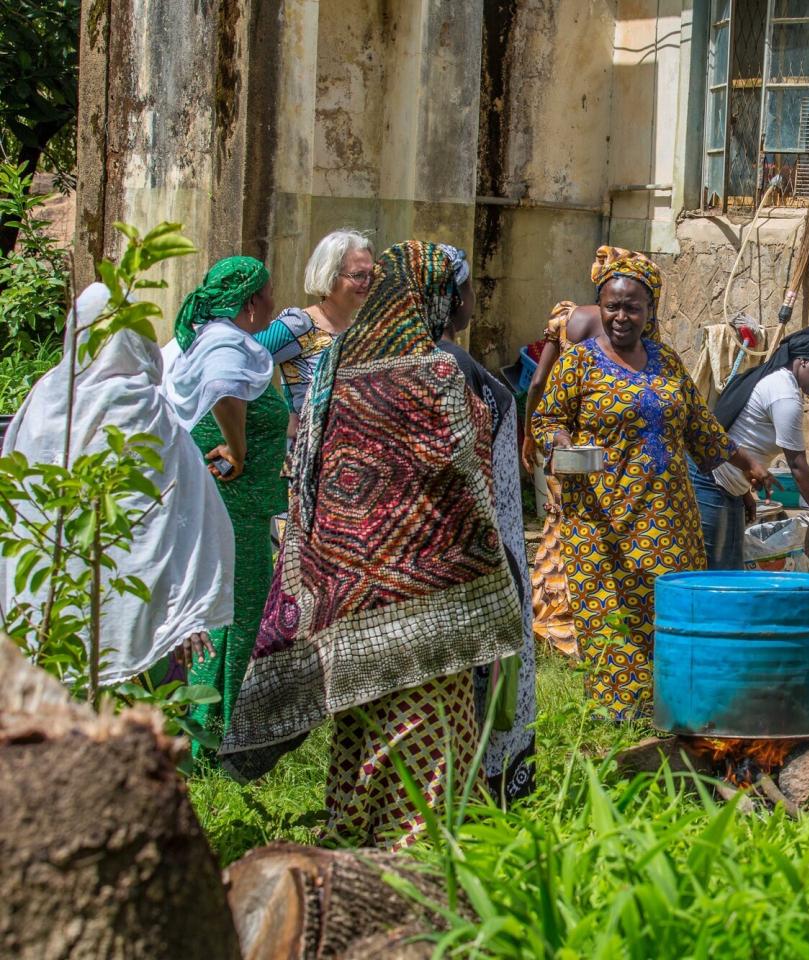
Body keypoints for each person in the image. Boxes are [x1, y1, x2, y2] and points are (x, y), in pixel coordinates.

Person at [218, 241, 524, 847]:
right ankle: (420, 846)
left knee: (362, 719)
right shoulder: (437, 372)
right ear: (432, 298)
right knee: (431, 720)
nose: (466, 302)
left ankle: (355, 828)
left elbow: (305, 464)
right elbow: (466, 472)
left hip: (345, 588)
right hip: (433, 593)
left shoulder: (334, 364)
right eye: (457, 292)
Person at [531, 253, 775, 719]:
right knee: (613, 610)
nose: (621, 317)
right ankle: (618, 714)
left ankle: (674, 706)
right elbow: (547, 416)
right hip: (605, 518)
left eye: (633, 307)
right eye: (612, 306)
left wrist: (749, 467)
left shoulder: (666, 361)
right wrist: (557, 439)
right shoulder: (580, 363)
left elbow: (702, 428)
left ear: (651, 309)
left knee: (671, 608)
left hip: (669, 519)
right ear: (599, 306)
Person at [2, 283, 234, 682]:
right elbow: (189, 506)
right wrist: (188, 606)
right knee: (138, 724)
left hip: (47, 599)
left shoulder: (45, 397)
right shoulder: (142, 406)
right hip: (139, 603)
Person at [162, 255, 288, 759]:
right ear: (251, 301)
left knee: (227, 609)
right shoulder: (222, 341)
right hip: (232, 501)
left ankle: (211, 726)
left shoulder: (206, 336)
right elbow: (221, 389)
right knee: (237, 612)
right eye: (269, 294)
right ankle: (223, 732)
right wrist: (237, 448)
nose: (274, 304)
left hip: (238, 503)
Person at [435, 243, 538, 804]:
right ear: (448, 298)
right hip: (474, 549)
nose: (476, 299)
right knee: (472, 687)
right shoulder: (446, 365)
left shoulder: (387, 357)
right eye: (469, 288)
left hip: (470, 544)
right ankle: (476, 794)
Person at [524, 246, 664, 658]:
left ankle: (557, 618)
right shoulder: (635, 325)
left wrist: (533, 433)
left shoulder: (570, 318)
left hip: (566, 442)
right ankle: (588, 623)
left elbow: (537, 383)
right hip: (604, 449)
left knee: (562, 526)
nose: (621, 315)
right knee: (598, 532)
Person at [695, 326, 809, 569]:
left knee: (730, 572)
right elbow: (797, 465)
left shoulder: (771, 379)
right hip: (710, 483)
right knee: (714, 577)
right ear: (803, 361)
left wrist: (744, 492)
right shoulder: (784, 394)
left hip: (727, 487)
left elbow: (735, 433)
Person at [253, 230, 375, 430]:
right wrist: (279, 419)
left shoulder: (361, 333)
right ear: (330, 274)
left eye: (371, 275)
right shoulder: (299, 325)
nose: (367, 283)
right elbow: (237, 363)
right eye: (359, 275)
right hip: (304, 453)